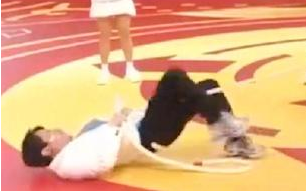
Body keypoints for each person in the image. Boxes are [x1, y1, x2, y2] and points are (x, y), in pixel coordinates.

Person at [21, 68, 262, 180]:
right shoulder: (68, 163)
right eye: (51, 134)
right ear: (47, 150)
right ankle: (222, 122)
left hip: (145, 124)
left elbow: (110, 135)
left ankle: (234, 140)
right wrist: (113, 126)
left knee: (207, 87)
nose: (58, 130)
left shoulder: (78, 140)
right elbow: (101, 163)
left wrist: (123, 115)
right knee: (173, 78)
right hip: (149, 134)